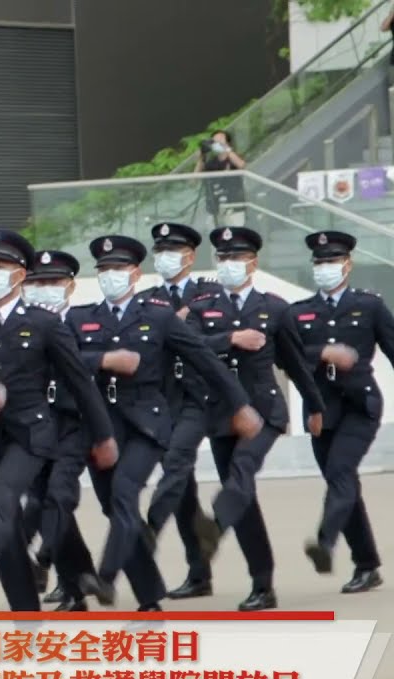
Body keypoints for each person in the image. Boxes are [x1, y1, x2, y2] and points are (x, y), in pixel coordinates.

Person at [69, 235, 259, 612]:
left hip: (148, 424)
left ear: (135, 273)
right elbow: (66, 359)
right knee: (116, 509)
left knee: (124, 495)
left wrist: (240, 404)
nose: (111, 275)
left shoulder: (157, 316)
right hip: (103, 425)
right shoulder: (81, 317)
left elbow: (204, 358)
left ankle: (104, 576)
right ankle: (150, 597)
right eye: (104, 269)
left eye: (118, 269)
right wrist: (104, 360)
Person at [0, 230, 117, 612]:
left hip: (31, 433)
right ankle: (26, 616)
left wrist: (103, 435)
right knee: (7, 530)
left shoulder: (45, 323)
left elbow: (79, 383)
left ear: (19, 275)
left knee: (4, 497)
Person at [185, 226, 326, 611]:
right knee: (244, 498)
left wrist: (315, 408)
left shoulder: (275, 307)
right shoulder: (202, 306)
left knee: (242, 471)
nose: (230, 264)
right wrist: (230, 339)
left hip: (264, 410)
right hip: (221, 414)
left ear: (253, 262)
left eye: (237, 257)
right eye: (223, 258)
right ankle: (262, 584)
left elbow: (296, 365)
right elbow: (190, 348)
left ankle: (215, 524)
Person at [293, 231, 388, 594]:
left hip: (360, 405)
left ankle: (326, 542)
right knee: (343, 484)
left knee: (340, 472)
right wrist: (323, 353)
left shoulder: (370, 305)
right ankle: (367, 565)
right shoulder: (299, 312)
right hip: (320, 410)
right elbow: (289, 357)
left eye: (331, 261)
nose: (325, 268)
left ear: (347, 265)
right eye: (319, 262)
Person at [139, 222, 225, 601]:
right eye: (160, 250)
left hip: (202, 397)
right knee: (184, 491)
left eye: (172, 250)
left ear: (190, 255)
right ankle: (199, 573)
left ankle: (149, 528)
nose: (165, 257)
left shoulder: (212, 293)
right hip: (165, 398)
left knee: (176, 462)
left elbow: (212, 339)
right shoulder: (150, 298)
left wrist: (181, 325)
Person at [17, 249, 103, 611]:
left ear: (69, 285)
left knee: (57, 497)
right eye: (36, 282)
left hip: (75, 423)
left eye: (51, 282)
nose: (43, 289)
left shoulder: (86, 320)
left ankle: (48, 560)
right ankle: (79, 581)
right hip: (36, 425)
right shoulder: (22, 324)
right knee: (42, 501)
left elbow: (97, 359)